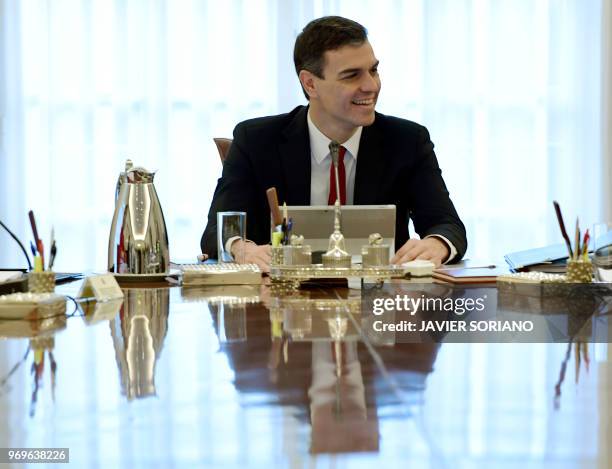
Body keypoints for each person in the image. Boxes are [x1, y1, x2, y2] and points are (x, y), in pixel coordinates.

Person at [201, 16, 467, 271]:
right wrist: (241, 248)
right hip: (277, 304)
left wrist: (437, 244)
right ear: (310, 84)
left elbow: (446, 224)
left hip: (380, 304)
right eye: (351, 75)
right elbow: (218, 230)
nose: (371, 85)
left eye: (373, 70)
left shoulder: (407, 140)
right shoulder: (257, 139)